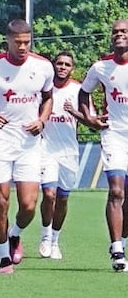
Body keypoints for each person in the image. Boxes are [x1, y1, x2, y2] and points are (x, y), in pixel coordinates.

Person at [0, 19, 53, 274]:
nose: (23, 47)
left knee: (28, 205)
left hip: (29, 142)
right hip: (1, 141)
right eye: (18, 43)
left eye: (27, 42)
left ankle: (15, 234)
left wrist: (42, 119)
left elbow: (49, 98)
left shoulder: (43, 66)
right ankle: (4, 256)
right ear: (7, 40)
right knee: (1, 202)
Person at [78, 19, 128, 271]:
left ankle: (123, 238)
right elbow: (83, 92)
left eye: (124, 31)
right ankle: (117, 249)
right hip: (114, 135)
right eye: (116, 32)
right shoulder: (101, 67)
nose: (119, 35)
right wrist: (89, 117)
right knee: (116, 191)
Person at [38, 52, 90, 260]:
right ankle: (45, 236)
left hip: (69, 152)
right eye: (59, 63)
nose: (62, 67)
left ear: (72, 69)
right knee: (49, 194)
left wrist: (74, 112)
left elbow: (90, 120)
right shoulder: (44, 89)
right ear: (53, 66)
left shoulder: (78, 90)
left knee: (62, 198)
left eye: (66, 64)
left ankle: (55, 241)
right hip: (46, 149)